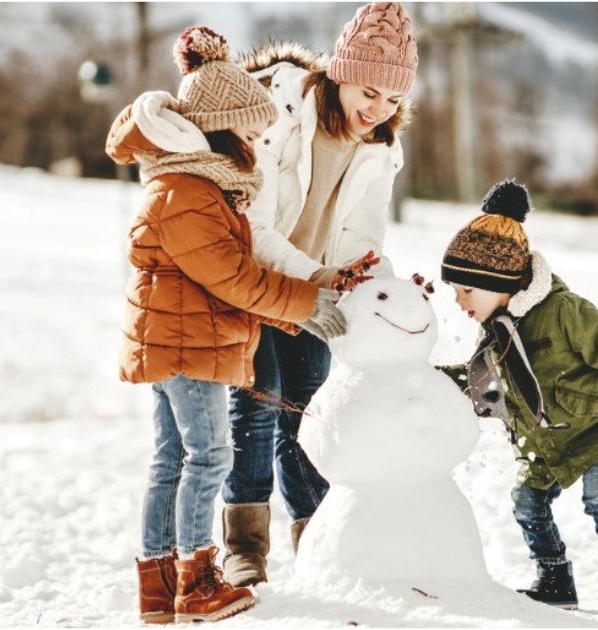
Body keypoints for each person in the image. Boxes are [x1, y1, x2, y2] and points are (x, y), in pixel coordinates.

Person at [106, 25, 345, 624]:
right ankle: (196, 580)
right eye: (250, 132)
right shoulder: (187, 190)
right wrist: (304, 303)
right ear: (219, 127)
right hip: (188, 345)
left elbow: (228, 280)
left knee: (171, 459)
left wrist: (287, 314)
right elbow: (232, 276)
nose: (258, 144)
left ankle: (160, 591)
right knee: (208, 457)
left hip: (181, 339)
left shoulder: (196, 185)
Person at [219, 1, 419, 588]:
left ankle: (319, 538)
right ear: (340, 73)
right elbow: (255, 225)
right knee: (259, 402)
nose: (378, 110)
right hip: (255, 279)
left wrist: (381, 287)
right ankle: (245, 547)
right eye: (369, 92)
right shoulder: (279, 112)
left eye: (392, 100)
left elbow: (362, 238)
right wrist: (317, 278)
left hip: (316, 294)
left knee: (308, 413)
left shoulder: (380, 148)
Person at [439, 180, 598, 618]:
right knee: (527, 502)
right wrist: (423, 382)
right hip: (546, 442)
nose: (459, 300)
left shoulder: (564, 311)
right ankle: (556, 580)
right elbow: (480, 382)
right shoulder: (496, 330)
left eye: (467, 289)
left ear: (498, 280)